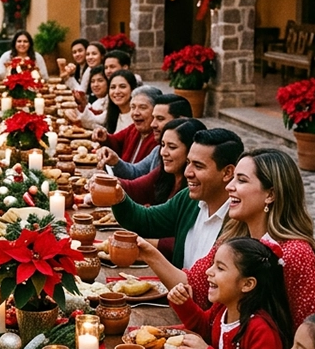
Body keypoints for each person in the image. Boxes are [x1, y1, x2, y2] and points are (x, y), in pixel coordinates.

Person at [187, 148, 315, 333]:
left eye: (242, 180)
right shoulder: (236, 236)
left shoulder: (295, 255)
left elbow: (312, 334)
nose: (229, 186)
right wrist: (150, 252)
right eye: (234, 177)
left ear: (270, 194)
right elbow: (195, 285)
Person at [165, 237, 293, 349]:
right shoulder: (222, 308)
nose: (208, 272)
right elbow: (204, 327)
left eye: (220, 268)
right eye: (213, 264)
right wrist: (184, 304)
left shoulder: (261, 329)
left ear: (247, 284)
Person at [105, 127, 243, 268]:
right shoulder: (188, 199)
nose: (187, 172)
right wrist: (118, 196)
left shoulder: (240, 219)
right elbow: (145, 220)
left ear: (227, 173)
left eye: (199, 166)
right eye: (188, 163)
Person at [99, 95, 193, 179]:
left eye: (160, 119)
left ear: (181, 121)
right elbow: (136, 172)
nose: (153, 124)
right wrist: (114, 161)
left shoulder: (195, 155)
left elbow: (144, 186)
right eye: (132, 107)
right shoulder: (158, 150)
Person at [121, 117, 204, 207]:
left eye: (172, 147)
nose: (163, 152)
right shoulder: (163, 172)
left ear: (192, 150)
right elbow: (134, 189)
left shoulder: (195, 186)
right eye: (163, 145)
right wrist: (106, 179)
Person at [94, 85, 160, 164]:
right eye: (133, 107)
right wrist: (105, 138)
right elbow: (116, 142)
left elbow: (140, 172)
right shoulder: (133, 129)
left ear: (156, 110)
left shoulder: (158, 138)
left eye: (142, 107)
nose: (136, 113)